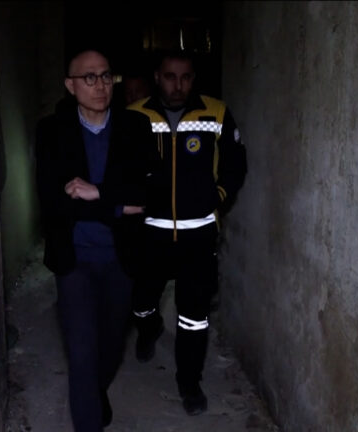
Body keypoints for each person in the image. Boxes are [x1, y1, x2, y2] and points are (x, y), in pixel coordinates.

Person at [35, 48, 152, 431]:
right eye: (89, 77)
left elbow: (146, 196)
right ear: (70, 86)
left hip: (122, 259)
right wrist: (120, 205)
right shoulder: (51, 131)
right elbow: (54, 202)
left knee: (111, 349)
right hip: (75, 260)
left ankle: (94, 390)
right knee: (82, 354)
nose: (100, 85)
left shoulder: (136, 127)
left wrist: (97, 193)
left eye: (105, 76)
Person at [127, 50, 247, 416]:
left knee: (194, 315)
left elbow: (235, 164)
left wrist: (218, 197)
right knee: (141, 302)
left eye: (186, 77)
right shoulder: (135, 116)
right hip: (150, 234)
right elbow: (119, 169)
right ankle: (149, 328)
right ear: (157, 77)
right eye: (170, 76)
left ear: (194, 79)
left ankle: (189, 382)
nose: (178, 85)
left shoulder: (216, 113)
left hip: (199, 236)